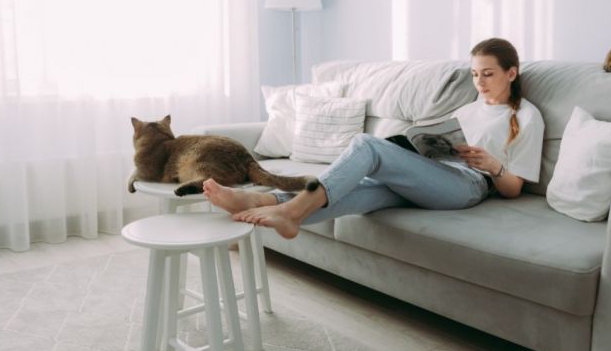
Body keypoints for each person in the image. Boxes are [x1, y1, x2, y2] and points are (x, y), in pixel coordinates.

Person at [203, 38, 545, 239]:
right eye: (474, 75)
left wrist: (493, 166)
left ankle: (290, 211)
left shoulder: (527, 116)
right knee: (362, 192)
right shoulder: (468, 108)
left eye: (488, 74)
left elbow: (515, 188)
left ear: (511, 73)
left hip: (470, 186)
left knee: (366, 144)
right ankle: (262, 203)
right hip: (434, 174)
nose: (479, 82)